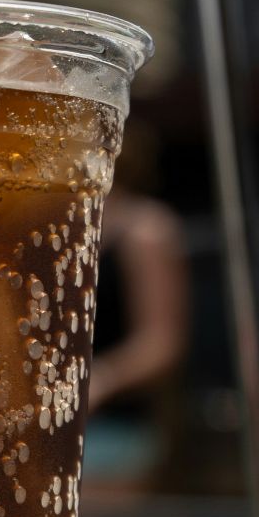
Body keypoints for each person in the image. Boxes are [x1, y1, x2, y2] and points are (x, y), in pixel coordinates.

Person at [85, 121, 190, 487]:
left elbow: (161, 342)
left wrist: (99, 382)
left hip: (114, 428)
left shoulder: (145, 229)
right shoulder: (59, 221)